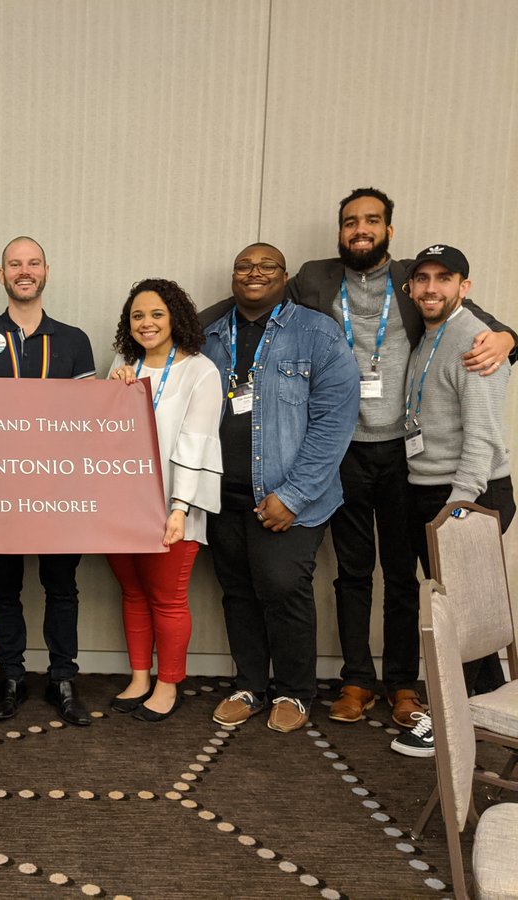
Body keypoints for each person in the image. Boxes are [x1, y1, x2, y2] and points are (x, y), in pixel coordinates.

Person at [284, 188, 516, 728]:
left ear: (390, 230)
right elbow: (253, 301)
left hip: (403, 458)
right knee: (352, 573)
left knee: (402, 574)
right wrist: (182, 326)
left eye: (372, 220)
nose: (360, 229)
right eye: (350, 221)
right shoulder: (314, 278)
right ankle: (357, 681)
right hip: (342, 449)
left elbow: (482, 323)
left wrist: (508, 338)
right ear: (340, 230)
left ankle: (403, 685)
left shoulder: (418, 277)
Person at [200, 243, 359, 733]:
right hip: (222, 494)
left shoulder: (318, 333)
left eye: (267, 266)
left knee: (283, 587)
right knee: (237, 591)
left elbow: (335, 422)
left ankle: (294, 691)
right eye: (244, 266)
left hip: (291, 495)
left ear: (284, 276)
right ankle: (249, 683)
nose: (254, 273)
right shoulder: (209, 335)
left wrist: (292, 496)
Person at [0, 236, 96, 726]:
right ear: (1, 274)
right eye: (15, 264)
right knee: (3, 587)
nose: (24, 271)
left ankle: (62, 678)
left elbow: (90, 423)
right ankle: (10, 676)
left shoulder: (73, 340)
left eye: (33, 263)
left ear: (47, 272)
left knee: (62, 588)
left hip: (57, 492)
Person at [390, 245, 513, 758]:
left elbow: (482, 437)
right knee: (460, 617)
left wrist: (457, 511)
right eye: (422, 279)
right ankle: (480, 716)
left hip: (466, 495)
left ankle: (448, 725)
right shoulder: (431, 335)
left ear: (465, 286)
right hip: (430, 489)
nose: (431, 288)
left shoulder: (474, 340)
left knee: (459, 618)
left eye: (444, 279)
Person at [105, 279, 223, 721]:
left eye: (156, 313)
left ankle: (168, 683)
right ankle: (139, 677)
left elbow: (198, 442)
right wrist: (113, 390)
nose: (147, 323)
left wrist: (181, 509)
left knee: (167, 598)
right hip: (122, 506)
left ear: (175, 317)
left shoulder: (200, 371)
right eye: (138, 316)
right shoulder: (124, 364)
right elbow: (104, 438)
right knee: (133, 593)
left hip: (171, 507)